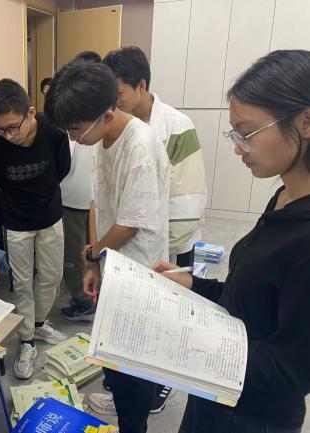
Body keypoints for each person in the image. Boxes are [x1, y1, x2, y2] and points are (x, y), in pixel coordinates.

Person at [154, 49, 310, 433]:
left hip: (251, 417)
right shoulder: (284, 197)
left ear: (305, 121)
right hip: (216, 395)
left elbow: (291, 372)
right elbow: (253, 300)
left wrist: (195, 344)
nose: (238, 147)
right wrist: (194, 285)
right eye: (235, 133)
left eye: (247, 132)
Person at [45, 61, 169, 433]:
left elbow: (130, 224)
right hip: (113, 264)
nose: (72, 139)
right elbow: (96, 202)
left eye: (75, 131)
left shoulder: (140, 146)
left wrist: (95, 253)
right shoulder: (101, 138)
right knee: (114, 356)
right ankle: (122, 403)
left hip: (141, 273)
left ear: (108, 115)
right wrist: (94, 261)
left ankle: (134, 423)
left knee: (136, 367)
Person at [102, 46, 208, 413]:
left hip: (173, 241)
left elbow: (188, 194)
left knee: (169, 316)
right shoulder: (118, 126)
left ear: (141, 86)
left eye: (118, 93)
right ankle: (136, 378)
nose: (113, 101)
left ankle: (162, 383)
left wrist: (163, 249)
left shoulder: (176, 125)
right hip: (140, 243)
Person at [0, 78, 70, 379]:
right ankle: (27, 340)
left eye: (12, 128)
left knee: (51, 276)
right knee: (21, 284)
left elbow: (62, 169)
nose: (7, 136)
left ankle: (39, 323)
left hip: (50, 215)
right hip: (17, 221)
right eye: (0, 129)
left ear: (31, 113)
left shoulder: (54, 133)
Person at [59, 50, 102, 322]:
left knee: (80, 256)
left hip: (78, 198)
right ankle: (92, 297)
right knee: (90, 253)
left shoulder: (81, 114)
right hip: (85, 197)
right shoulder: (102, 112)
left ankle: (84, 302)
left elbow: (66, 160)